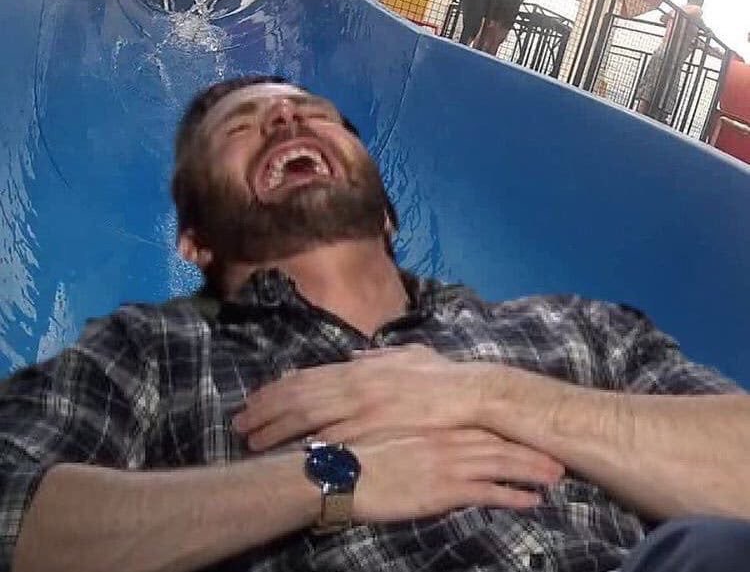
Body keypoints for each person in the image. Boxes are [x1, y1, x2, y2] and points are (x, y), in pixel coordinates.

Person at [3, 75, 750, 572]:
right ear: (195, 243)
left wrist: (489, 394)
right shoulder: (153, 351)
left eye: (314, 114)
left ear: (388, 216)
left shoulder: (573, 329)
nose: (285, 117)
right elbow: (16, 517)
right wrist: (329, 479)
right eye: (242, 127)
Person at [634, 0, 709, 122]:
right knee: (665, 90)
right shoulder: (694, 11)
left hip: (662, 51)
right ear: (700, 2)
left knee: (651, 87)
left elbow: (663, 18)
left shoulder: (677, 11)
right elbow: (696, 13)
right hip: (671, 57)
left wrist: (673, 15)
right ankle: (654, 119)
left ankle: (641, 117)